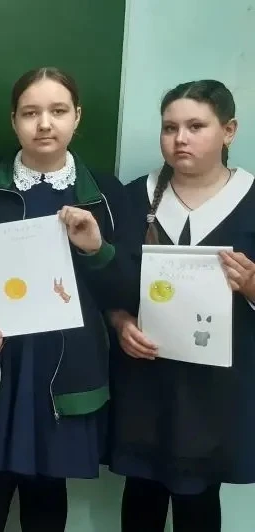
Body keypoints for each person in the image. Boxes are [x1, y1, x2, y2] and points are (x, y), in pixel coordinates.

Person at [0, 67, 129, 532]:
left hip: (65, 371)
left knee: (47, 489)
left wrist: (96, 250)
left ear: (77, 117)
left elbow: (129, 289)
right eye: (30, 113)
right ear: (14, 121)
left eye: (58, 111)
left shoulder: (105, 195)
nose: (44, 124)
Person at [107, 80, 251, 532]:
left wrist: (251, 284)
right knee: (141, 493)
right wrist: (120, 322)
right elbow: (109, 284)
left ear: (229, 130)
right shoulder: (133, 198)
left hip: (215, 389)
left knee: (199, 499)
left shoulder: (249, 200)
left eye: (196, 126)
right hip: (145, 380)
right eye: (170, 128)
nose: (180, 139)